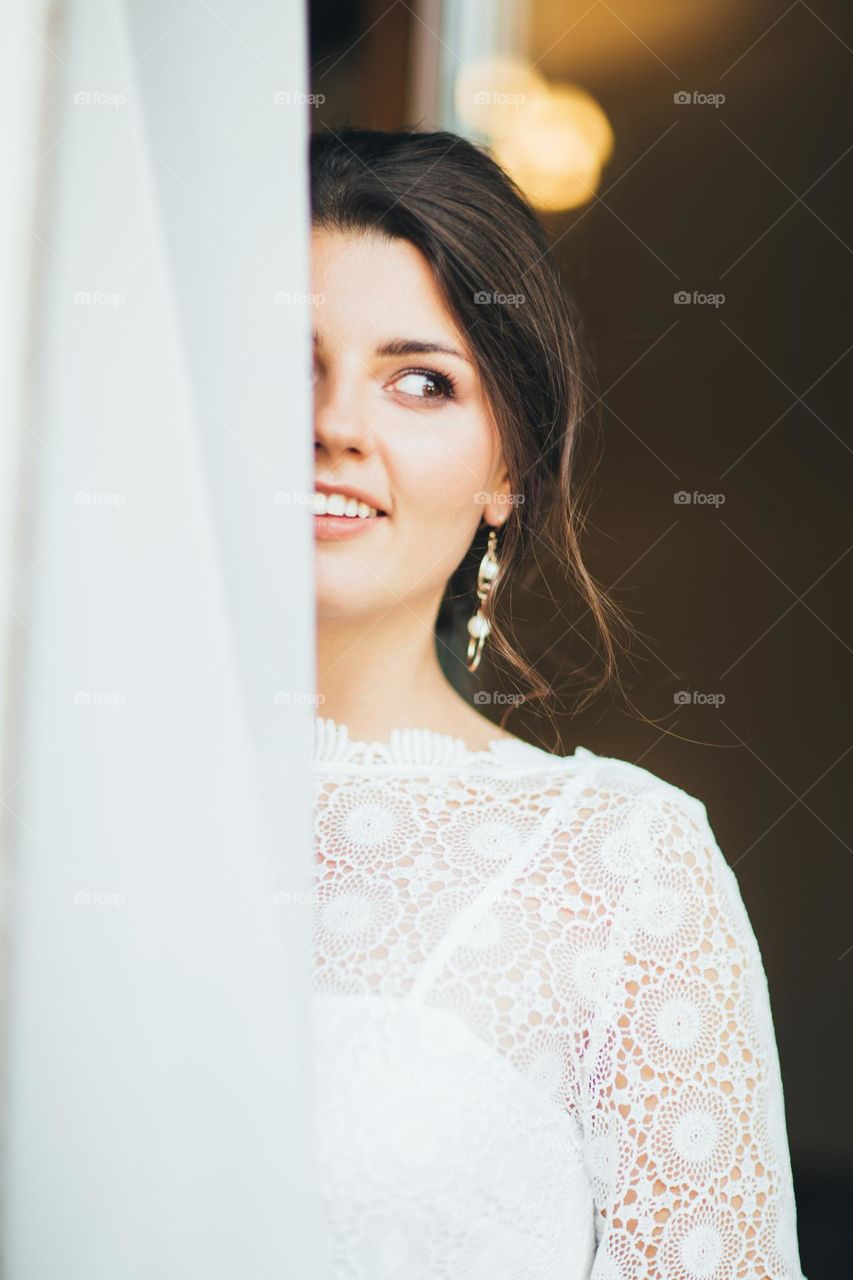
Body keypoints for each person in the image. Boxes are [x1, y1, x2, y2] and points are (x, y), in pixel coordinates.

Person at [309, 126, 807, 1280]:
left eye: (420, 380)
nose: (335, 422)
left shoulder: (622, 868)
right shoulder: (47, 813)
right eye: (288, 363)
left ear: (506, 471)